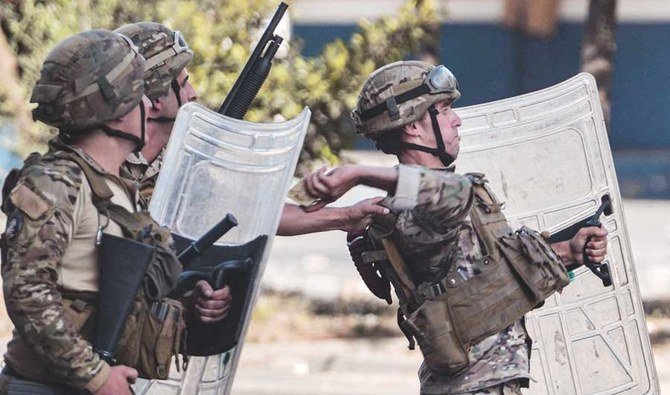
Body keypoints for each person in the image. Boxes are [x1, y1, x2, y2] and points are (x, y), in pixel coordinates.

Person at [300, 61, 609, 394]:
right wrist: (359, 173)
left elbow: (484, 274)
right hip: (474, 385)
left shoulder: (434, 197)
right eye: (444, 110)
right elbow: (450, 193)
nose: (456, 120)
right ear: (412, 127)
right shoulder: (412, 206)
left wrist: (567, 251)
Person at [0, 30, 225, 395]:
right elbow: (27, 291)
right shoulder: (58, 182)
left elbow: (110, 293)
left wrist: (186, 303)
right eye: (141, 98)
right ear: (115, 112)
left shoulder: (115, 185)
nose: (151, 107)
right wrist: (96, 375)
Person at [116, 22, 388, 236]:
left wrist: (345, 217)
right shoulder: (108, 159)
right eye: (183, 84)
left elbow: (255, 214)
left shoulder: (178, 159)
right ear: (154, 97)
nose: (193, 94)